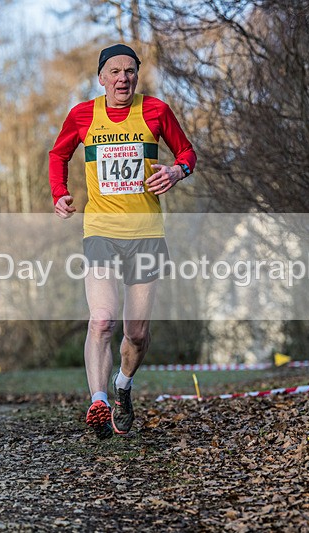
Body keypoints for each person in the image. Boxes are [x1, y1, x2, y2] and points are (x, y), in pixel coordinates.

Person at [49, 44, 197, 439]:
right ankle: (97, 400)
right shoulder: (82, 115)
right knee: (102, 320)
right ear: (101, 78)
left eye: (129, 71)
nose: (122, 78)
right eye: (113, 71)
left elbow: (187, 152)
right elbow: (58, 154)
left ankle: (123, 387)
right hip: (100, 230)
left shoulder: (156, 111)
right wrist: (58, 192)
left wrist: (176, 172)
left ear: (137, 75)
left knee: (136, 334)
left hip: (146, 233)